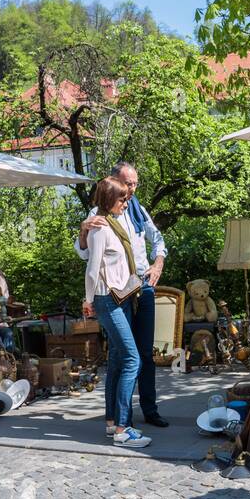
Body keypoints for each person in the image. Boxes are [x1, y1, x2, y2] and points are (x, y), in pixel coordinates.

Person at [76, 162, 169, 428]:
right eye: (127, 184)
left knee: (143, 354)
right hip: (118, 292)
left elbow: (157, 239)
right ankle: (117, 419)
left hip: (142, 286)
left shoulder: (137, 209)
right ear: (113, 182)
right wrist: (83, 230)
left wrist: (158, 261)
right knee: (122, 355)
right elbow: (86, 255)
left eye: (135, 183)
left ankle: (148, 410)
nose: (132, 189)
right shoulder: (98, 214)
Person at [83, 176, 151, 448]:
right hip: (106, 299)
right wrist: (88, 301)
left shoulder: (113, 223)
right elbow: (91, 268)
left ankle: (112, 423)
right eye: (122, 198)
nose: (126, 202)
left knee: (118, 359)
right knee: (133, 359)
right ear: (110, 199)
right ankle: (123, 429)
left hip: (120, 297)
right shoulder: (100, 228)